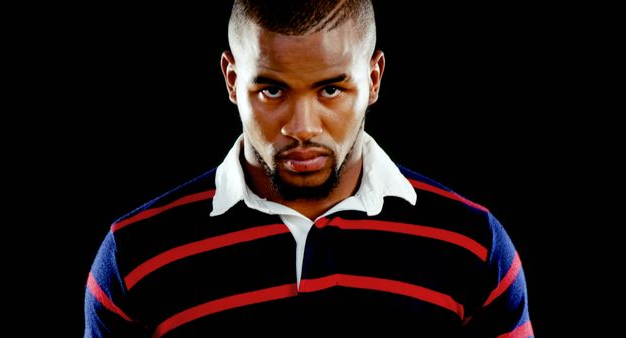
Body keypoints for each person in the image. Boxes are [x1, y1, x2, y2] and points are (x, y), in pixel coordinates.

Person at [84, 0, 533, 336]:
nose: (303, 127)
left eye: (331, 90)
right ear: (232, 79)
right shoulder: (135, 256)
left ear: (373, 80)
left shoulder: (474, 246)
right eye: (272, 91)